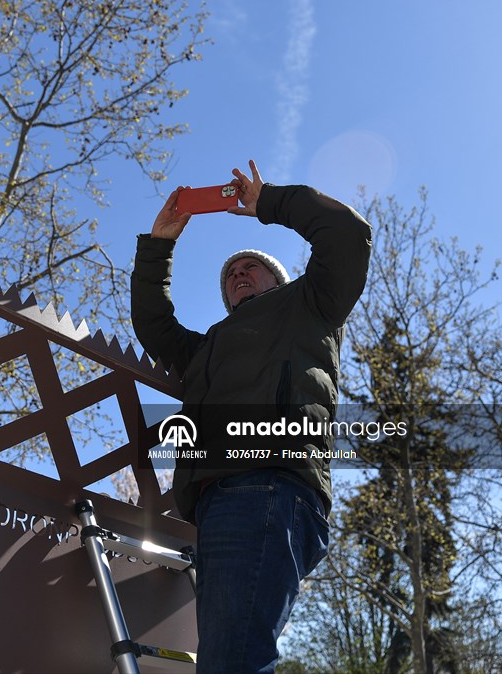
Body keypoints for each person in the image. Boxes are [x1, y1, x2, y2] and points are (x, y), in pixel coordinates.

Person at [131, 160, 372, 673]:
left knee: (232, 660)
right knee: (227, 657)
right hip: (218, 503)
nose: (239, 275)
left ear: (278, 278)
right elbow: (154, 326)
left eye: (250, 268)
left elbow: (347, 234)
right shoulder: (210, 346)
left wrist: (268, 203)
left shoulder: (310, 306)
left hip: (269, 488)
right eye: (230, 276)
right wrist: (159, 245)